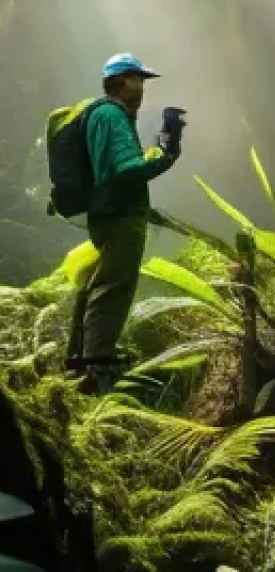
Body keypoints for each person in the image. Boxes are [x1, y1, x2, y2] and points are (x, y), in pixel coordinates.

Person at [66, 54, 180, 389]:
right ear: (120, 81)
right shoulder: (112, 115)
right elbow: (124, 170)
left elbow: (116, 165)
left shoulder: (103, 115)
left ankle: (80, 360)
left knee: (99, 284)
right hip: (120, 215)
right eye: (137, 79)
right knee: (114, 288)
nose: (142, 87)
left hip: (107, 212)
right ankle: (96, 369)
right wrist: (166, 155)